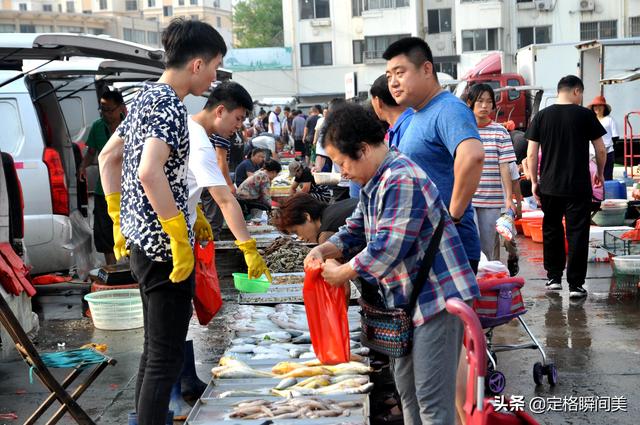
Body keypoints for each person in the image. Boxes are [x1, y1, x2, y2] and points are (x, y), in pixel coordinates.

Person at [304, 103, 479, 425]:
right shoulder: (376, 179)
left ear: (363, 149)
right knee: (408, 392)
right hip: (408, 300)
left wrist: (343, 273)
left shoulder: (400, 178)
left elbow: (389, 247)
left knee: (431, 400)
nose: (341, 171)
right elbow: (356, 227)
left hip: (437, 299)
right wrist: (326, 248)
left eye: (342, 162)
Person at [98, 18, 226, 424]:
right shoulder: (169, 104)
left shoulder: (143, 99)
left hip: (144, 245)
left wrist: (121, 217)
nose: (215, 76)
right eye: (215, 66)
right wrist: (177, 234)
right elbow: (149, 172)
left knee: (156, 351)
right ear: (197, 64)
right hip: (164, 252)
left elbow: (108, 158)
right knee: (164, 358)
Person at [168, 80, 270, 420]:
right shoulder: (199, 141)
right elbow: (225, 199)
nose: (238, 126)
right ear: (221, 110)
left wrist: (193, 210)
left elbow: (178, 180)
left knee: (180, 314)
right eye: (238, 119)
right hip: (166, 240)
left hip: (180, 229)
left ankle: (186, 381)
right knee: (166, 322)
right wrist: (248, 247)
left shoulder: (191, 130)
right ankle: (169, 397)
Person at [384, 37, 484, 273]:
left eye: (400, 73)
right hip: (426, 245)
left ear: (427, 69)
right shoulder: (417, 114)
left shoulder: (448, 108)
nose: (393, 83)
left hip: (449, 248)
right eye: (389, 77)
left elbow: (472, 156)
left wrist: (452, 218)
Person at [525, 75, 606, 298]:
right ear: (576, 92)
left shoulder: (541, 116)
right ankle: (576, 285)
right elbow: (600, 149)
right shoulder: (585, 115)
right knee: (577, 232)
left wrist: (534, 181)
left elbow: (531, 153)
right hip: (579, 186)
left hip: (549, 186)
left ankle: (553, 278)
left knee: (552, 230)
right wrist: (599, 173)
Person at [465, 84, 516, 261]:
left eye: (489, 102)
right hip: (466, 199)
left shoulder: (500, 132)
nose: (485, 106)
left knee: (489, 249)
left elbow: (505, 167)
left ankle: (490, 284)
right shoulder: (463, 130)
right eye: (480, 101)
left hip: (492, 200)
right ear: (470, 103)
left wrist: (509, 198)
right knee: (471, 247)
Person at [78, 90, 127, 266]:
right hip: (104, 190)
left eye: (109, 110)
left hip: (129, 191)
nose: (106, 114)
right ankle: (112, 269)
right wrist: (83, 166)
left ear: (121, 107)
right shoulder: (97, 127)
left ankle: (134, 271)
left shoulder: (132, 126)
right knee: (104, 233)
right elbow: (91, 153)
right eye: (103, 110)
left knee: (130, 231)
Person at [274, 193, 358, 243]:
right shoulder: (333, 208)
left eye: (296, 232)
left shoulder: (327, 234)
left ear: (306, 216)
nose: (300, 238)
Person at [588, 95, 619, 180]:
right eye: (595, 106)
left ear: (604, 107)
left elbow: (615, 137)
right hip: (592, 154)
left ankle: (607, 193)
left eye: (600, 105)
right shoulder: (590, 120)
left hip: (607, 152)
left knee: (607, 177)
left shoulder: (610, 120)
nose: (597, 107)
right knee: (593, 177)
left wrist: (606, 148)